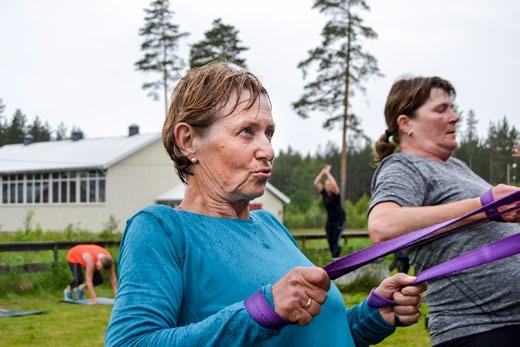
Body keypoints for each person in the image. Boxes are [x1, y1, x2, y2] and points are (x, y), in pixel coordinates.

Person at [105, 62, 426, 346]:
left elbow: (315, 334)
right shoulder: (162, 230)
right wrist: (261, 311)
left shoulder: (270, 225)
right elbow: (131, 342)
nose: (268, 150)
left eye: (269, 133)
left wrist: (372, 315)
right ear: (188, 140)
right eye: (247, 132)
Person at [369, 76, 520, 346]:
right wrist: (483, 206)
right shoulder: (403, 166)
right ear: (406, 124)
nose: (455, 117)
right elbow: (383, 225)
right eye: (441, 110)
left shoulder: (457, 166)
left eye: (452, 108)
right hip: (477, 329)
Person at [313, 164, 345, 258]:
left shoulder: (336, 194)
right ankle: (334, 259)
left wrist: (328, 173)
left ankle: (337, 258)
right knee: (330, 241)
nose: (327, 186)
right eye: (326, 184)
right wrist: (322, 172)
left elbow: (334, 184)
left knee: (335, 241)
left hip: (339, 220)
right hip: (330, 221)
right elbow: (316, 183)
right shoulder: (324, 194)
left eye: (329, 184)